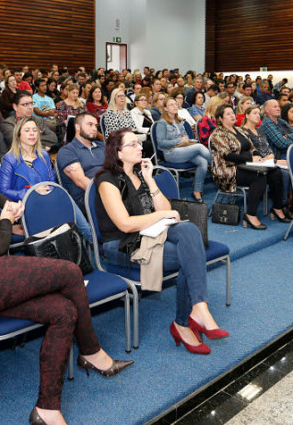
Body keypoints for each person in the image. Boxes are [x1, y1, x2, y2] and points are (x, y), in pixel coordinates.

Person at [0, 127, 132, 425]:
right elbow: (0, 244)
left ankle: (46, 409)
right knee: (69, 271)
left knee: (63, 311)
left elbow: (5, 210)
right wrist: (6, 217)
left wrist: (22, 202)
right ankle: (91, 351)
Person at [95, 129, 227, 356]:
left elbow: (167, 210)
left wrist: (149, 180)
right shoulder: (107, 180)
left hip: (150, 233)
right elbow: (125, 224)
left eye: (139, 143)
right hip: (120, 243)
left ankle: (198, 309)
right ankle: (184, 323)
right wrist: (160, 217)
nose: (140, 148)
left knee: (187, 229)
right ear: (118, 153)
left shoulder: (140, 175)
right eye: (133, 145)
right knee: (189, 255)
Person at [210, 104, 288, 229]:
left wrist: (258, 157)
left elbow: (252, 147)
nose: (232, 116)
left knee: (276, 172)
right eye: (228, 114)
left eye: (233, 113)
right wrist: (251, 158)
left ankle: (277, 207)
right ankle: (250, 214)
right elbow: (227, 155)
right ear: (220, 118)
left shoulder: (239, 130)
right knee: (259, 176)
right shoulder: (217, 134)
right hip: (229, 169)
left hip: (247, 165)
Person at [155, 98, 212, 202]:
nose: (175, 106)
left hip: (184, 150)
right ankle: (215, 166)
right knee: (199, 147)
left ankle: (197, 191)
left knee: (203, 161)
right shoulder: (162, 123)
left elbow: (185, 136)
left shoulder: (179, 121)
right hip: (171, 153)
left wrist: (186, 140)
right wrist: (178, 141)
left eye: (176, 104)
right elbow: (161, 143)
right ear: (165, 108)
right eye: (171, 105)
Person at [57, 112, 105, 209]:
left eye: (96, 125)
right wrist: (109, 194)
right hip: (89, 198)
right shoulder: (67, 151)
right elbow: (81, 181)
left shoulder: (102, 146)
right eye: (90, 124)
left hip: (112, 190)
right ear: (77, 127)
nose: (94, 128)